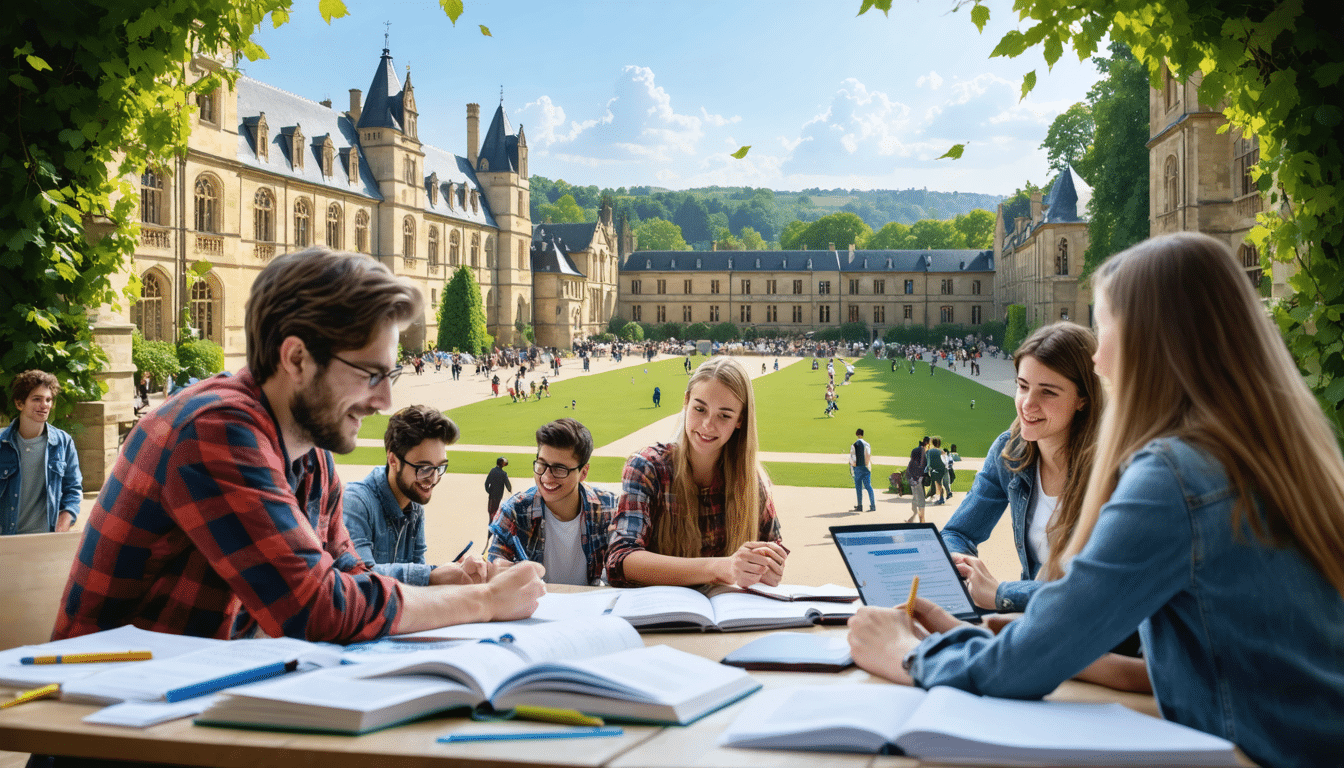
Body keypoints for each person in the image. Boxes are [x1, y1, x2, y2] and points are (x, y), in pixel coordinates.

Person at [848, 233, 1344, 767]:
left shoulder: (1174, 474)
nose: (1100, 358)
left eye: (1104, 328)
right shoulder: (1267, 447)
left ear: (1151, 340)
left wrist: (910, 652)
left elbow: (1024, 670)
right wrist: (1024, 636)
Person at [53, 247, 544, 643]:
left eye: (389, 372)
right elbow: (315, 607)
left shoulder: (309, 452)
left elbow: (347, 574)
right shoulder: (213, 429)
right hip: (112, 730)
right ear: (296, 358)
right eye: (370, 374)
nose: (385, 399)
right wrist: (484, 604)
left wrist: (443, 581)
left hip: (200, 711)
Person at [939, 323, 1102, 614]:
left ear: (1082, 399)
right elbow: (958, 533)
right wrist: (962, 565)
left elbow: (1098, 589)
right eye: (1023, 386)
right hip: (1032, 620)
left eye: (1048, 392)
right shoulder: (1010, 451)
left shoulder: (1112, 469)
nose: (1027, 404)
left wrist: (1002, 593)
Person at [607, 356, 787, 589]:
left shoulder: (754, 482)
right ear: (686, 402)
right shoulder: (647, 468)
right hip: (659, 618)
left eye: (724, 415)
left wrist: (770, 567)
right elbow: (619, 561)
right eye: (700, 409)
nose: (707, 425)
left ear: (740, 420)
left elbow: (775, 550)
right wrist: (719, 569)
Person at [344, 405, 482, 586]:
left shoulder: (414, 504)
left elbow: (418, 584)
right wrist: (433, 575)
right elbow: (359, 577)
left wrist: (450, 572)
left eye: (440, 467)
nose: (433, 479)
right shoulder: (356, 502)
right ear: (393, 460)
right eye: (424, 468)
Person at [487, 419, 617, 585]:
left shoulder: (609, 509)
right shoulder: (514, 512)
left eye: (559, 469)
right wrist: (497, 569)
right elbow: (494, 573)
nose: (546, 477)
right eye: (541, 465)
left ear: (583, 472)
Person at [1, 370, 82, 535]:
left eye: (48, 399)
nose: (44, 405)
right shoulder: (2, 442)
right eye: (37, 399)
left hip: (45, 539)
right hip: (6, 540)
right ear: (19, 403)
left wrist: (63, 524)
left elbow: (73, 490)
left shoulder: (63, 442)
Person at [849, 428, 875, 512]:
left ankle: (860, 506)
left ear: (856, 434)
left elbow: (853, 459)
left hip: (858, 468)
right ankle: (873, 505)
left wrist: (853, 465)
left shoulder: (854, 445)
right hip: (866, 468)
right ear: (863, 435)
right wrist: (867, 465)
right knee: (868, 487)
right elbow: (868, 455)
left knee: (858, 487)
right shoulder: (867, 444)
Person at [905, 436, 928, 523]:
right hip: (917, 478)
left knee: (915, 497)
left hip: (911, 477)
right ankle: (921, 520)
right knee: (920, 498)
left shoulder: (915, 450)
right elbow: (922, 466)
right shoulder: (922, 451)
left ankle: (913, 517)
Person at [484, 457, 512, 524]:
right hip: (498, 496)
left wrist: (489, 491)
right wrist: (509, 489)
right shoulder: (503, 474)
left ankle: (491, 526)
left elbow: (486, 484)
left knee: (491, 512)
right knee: (495, 512)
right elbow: (508, 485)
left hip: (492, 495)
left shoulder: (492, 471)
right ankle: (493, 526)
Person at [925, 436, 948, 505]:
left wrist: (926, 469)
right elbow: (945, 460)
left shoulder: (930, 451)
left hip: (934, 469)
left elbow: (928, 462)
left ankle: (940, 499)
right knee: (939, 483)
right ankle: (938, 497)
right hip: (942, 469)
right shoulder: (942, 451)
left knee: (937, 484)